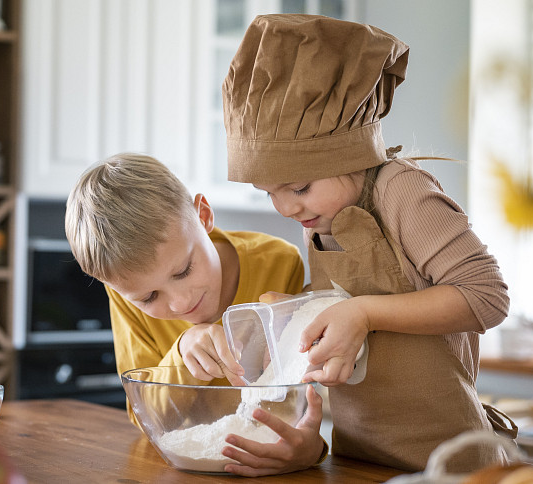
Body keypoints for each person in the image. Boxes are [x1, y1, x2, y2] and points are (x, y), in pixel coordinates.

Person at [220, 14, 516, 476]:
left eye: (298, 186)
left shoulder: (402, 191)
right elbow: (349, 307)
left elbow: (488, 297)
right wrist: (296, 318)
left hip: (449, 465)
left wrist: (364, 314)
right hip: (358, 458)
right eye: (269, 192)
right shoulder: (322, 213)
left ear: (349, 155)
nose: (286, 208)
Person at [63, 152, 307, 420]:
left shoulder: (280, 263)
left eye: (183, 271)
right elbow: (145, 414)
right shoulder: (123, 295)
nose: (180, 303)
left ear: (203, 215)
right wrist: (181, 356)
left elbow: (293, 395)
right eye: (149, 297)